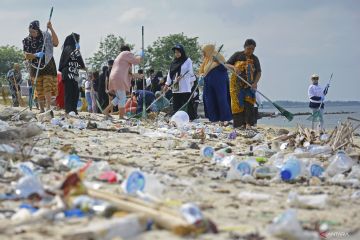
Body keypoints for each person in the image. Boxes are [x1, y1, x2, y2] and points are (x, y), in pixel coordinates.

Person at [23, 20, 59, 112]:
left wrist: (51, 28)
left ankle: (48, 108)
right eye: (30, 31)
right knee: (39, 89)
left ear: (37, 30)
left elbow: (55, 43)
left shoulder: (46, 36)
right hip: (35, 68)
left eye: (33, 31)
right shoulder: (27, 40)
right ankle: (42, 109)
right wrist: (36, 55)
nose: (31, 33)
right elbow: (26, 55)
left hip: (48, 65)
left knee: (47, 87)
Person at [227, 39, 262, 129]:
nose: (250, 51)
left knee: (249, 103)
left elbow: (258, 72)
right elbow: (226, 64)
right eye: (249, 48)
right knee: (237, 104)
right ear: (244, 47)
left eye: (253, 49)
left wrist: (255, 83)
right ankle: (239, 125)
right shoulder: (237, 55)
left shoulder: (255, 58)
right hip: (236, 85)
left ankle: (249, 124)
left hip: (250, 85)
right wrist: (234, 67)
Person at [103, 45, 142, 119]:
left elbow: (129, 72)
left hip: (115, 77)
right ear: (128, 50)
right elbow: (136, 61)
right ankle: (121, 116)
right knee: (122, 98)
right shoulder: (126, 53)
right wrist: (140, 55)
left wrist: (138, 76)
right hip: (119, 78)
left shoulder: (120, 57)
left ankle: (106, 111)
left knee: (118, 97)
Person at [199, 44, 232, 123]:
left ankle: (224, 118)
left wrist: (218, 61)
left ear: (208, 50)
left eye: (204, 51)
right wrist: (201, 75)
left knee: (221, 99)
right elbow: (203, 71)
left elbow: (224, 66)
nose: (203, 53)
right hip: (208, 83)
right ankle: (213, 118)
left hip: (219, 82)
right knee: (209, 100)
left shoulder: (218, 56)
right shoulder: (206, 59)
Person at [164, 44, 196, 116]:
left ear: (182, 52)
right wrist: (167, 84)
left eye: (178, 52)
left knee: (186, 102)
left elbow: (190, 71)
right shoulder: (173, 62)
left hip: (185, 85)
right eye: (175, 52)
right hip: (175, 85)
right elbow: (170, 73)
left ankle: (190, 117)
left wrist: (182, 76)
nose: (177, 54)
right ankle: (177, 117)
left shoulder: (188, 60)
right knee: (176, 102)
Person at [58, 33, 85, 115]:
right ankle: (70, 110)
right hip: (70, 73)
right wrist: (77, 51)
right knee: (71, 92)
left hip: (72, 73)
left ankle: (72, 109)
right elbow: (79, 61)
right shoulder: (72, 49)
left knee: (73, 92)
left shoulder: (66, 49)